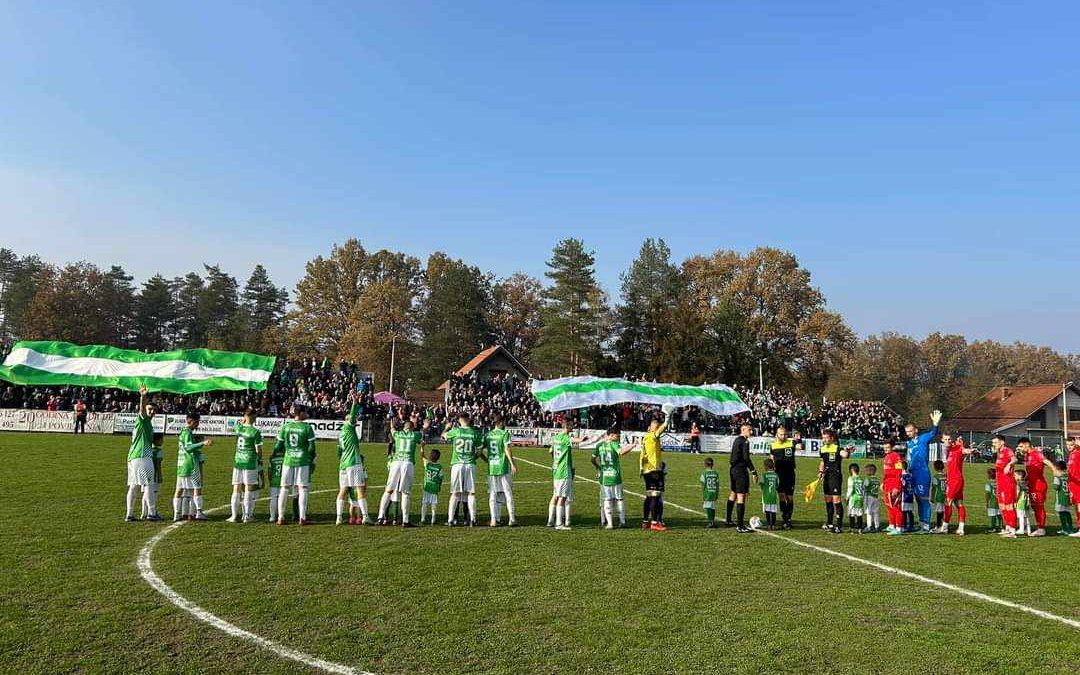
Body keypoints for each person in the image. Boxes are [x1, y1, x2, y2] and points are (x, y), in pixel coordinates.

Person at [275, 404, 316, 525]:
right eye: (306, 412)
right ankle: (302, 518)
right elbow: (312, 448)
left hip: (288, 461)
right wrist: (310, 458)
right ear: (301, 413)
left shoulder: (285, 427)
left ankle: (280, 517)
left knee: (284, 488)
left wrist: (285, 451)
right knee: (303, 488)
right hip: (302, 461)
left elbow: (278, 447)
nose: (307, 414)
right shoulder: (307, 428)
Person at [380, 417, 424, 527]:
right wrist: (425, 426)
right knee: (405, 492)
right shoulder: (415, 435)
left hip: (396, 462)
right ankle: (405, 520)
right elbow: (422, 437)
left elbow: (392, 430)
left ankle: (380, 517)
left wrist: (392, 425)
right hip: (407, 463)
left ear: (404, 427)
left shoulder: (398, 434)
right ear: (412, 428)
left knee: (388, 490)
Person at [904, 410, 943, 533]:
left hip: (922, 474)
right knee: (918, 499)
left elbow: (933, 432)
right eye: (907, 432)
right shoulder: (909, 443)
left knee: (923, 499)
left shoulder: (923, 438)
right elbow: (910, 457)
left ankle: (926, 525)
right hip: (913, 474)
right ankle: (921, 523)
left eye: (910, 431)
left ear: (915, 430)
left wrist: (935, 424)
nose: (908, 433)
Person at [442, 413, 482, 526]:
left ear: (459, 420)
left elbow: (443, 436)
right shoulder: (475, 433)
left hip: (457, 464)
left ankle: (450, 520)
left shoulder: (455, 431)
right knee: (471, 493)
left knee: (455, 493)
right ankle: (472, 520)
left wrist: (447, 427)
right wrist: (472, 458)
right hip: (470, 464)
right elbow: (479, 452)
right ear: (469, 419)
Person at [592, 426, 635, 529]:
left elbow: (592, 459)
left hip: (604, 477)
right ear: (611, 435)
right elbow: (621, 452)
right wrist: (632, 446)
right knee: (619, 499)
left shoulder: (599, 445)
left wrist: (598, 467)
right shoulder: (614, 444)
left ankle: (610, 523)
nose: (618, 437)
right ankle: (622, 521)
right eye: (617, 435)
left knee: (606, 499)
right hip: (615, 476)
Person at [125, 385, 156, 522]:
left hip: (133, 457)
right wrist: (143, 396)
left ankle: (129, 514)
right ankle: (152, 513)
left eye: (154, 410)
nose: (152, 412)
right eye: (150, 409)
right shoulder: (143, 420)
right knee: (149, 484)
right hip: (142, 456)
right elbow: (142, 410)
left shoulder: (148, 423)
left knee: (134, 485)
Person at [639, 405, 673, 531]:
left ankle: (645, 521)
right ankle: (654, 522)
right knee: (655, 495)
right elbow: (663, 428)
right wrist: (668, 416)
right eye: (654, 425)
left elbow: (642, 454)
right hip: (654, 470)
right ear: (650, 427)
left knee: (649, 496)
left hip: (648, 469)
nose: (657, 426)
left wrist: (641, 468)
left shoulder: (646, 438)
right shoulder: (652, 436)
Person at [336, 395, 369, 526]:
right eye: (352, 420)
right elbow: (352, 415)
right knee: (360, 490)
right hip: (354, 463)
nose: (354, 421)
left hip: (343, 464)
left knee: (343, 491)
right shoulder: (348, 428)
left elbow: (338, 452)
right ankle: (365, 517)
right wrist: (355, 403)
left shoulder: (341, 434)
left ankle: (339, 518)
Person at [174, 412, 212, 521]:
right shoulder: (187, 432)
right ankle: (199, 512)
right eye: (196, 422)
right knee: (197, 488)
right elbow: (189, 448)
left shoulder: (183, 432)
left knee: (179, 489)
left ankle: (177, 514)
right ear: (190, 421)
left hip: (181, 464)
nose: (198, 425)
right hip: (191, 464)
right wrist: (202, 443)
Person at [228, 409, 263, 523]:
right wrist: (260, 459)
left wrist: (244, 420)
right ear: (252, 416)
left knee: (236, 488)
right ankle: (247, 516)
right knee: (248, 488)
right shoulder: (255, 431)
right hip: (249, 462)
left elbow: (239, 426)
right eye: (255, 416)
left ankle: (233, 516)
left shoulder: (238, 428)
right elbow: (259, 450)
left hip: (238, 461)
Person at [1019, 438, 1059, 537]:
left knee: (1038, 506)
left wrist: (1054, 470)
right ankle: (1038, 526)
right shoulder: (1026, 456)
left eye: (1020, 446)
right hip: (1031, 484)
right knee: (1034, 506)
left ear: (1026, 445)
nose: (1019, 448)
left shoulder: (1036, 453)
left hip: (1039, 485)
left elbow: (1046, 461)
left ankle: (1041, 529)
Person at [482, 415, 517, 527]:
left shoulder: (488, 435)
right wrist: (512, 464)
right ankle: (511, 519)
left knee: (493, 494)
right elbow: (507, 449)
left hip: (492, 468)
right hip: (503, 467)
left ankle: (494, 520)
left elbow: (479, 451)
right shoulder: (504, 434)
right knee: (508, 493)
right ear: (501, 422)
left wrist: (486, 460)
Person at [726, 422, 758, 533]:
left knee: (733, 494)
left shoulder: (737, 440)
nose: (751, 431)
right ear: (743, 430)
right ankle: (740, 526)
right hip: (740, 471)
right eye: (749, 429)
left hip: (733, 470)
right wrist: (753, 471)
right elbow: (746, 458)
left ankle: (728, 520)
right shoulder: (744, 441)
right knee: (741, 497)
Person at [940, 435, 973, 535]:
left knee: (947, 502)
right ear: (942, 440)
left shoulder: (957, 448)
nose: (947, 441)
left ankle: (944, 527)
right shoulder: (948, 450)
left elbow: (964, 451)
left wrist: (969, 450)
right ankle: (961, 528)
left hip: (955, 480)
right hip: (955, 480)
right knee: (959, 504)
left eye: (949, 439)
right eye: (945, 439)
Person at [549, 418, 579, 531]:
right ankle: (559, 523)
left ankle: (550, 520)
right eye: (571, 425)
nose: (573, 427)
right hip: (563, 471)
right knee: (562, 497)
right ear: (567, 426)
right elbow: (577, 440)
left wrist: (556, 460)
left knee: (555, 496)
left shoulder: (556, 438)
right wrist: (588, 438)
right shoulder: (566, 438)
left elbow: (551, 451)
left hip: (556, 469)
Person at [818, 429, 848, 534]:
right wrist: (820, 472)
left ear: (831, 438)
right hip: (826, 477)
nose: (825, 439)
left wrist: (846, 452)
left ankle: (839, 526)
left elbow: (844, 454)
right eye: (823, 437)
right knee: (828, 500)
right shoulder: (822, 449)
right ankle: (830, 523)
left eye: (827, 437)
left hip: (835, 477)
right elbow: (822, 462)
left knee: (836, 500)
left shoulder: (837, 448)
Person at [770, 425, 797, 529]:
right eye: (781, 434)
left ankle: (789, 519)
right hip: (779, 474)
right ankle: (784, 518)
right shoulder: (773, 446)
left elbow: (800, 445)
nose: (783, 436)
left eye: (785, 434)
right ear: (777, 435)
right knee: (781, 496)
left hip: (790, 473)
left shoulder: (791, 443)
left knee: (790, 497)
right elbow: (772, 459)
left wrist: (798, 441)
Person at [991, 435, 1018, 537]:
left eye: (995, 442)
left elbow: (1015, 459)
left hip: (1008, 483)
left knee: (1009, 506)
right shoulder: (999, 453)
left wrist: (1009, 464)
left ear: (1002, 442)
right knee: (1002, 506)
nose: (993, 444)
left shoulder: (1007, 450)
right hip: (1000, 483)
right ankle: (1008, 527)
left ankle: (1013, 530)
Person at [141, 432, 165, 521]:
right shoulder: (159, 451)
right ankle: (152, 511)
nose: (163, 441)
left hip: (145, 473)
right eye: (161, 440)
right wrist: (160, 475)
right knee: (153, 494)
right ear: (157, 441)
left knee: (145, 493)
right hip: (154, 475)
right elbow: (158, 465)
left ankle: (144, 512)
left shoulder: (149, 450)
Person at [882, 440, 904, 534]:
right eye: (884, 448)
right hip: (887, 484)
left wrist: (897, 487)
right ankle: (891, 525)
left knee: (896, 507)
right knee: (889, 506)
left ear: (892, 447)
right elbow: (886, 473)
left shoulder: (896, 457)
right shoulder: (886, 457)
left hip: (894, 484)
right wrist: (883, 482)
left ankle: (899, 528)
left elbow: (899, 472)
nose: (886, 449)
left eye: (887, 447)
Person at [420, 448, 445, 525]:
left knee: (424, 503)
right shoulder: (440, 467)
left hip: (427, 486)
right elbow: (441, 478)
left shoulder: (427, 464)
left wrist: (422, 447)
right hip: (435, 487)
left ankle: (423, 519)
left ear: (431, 456)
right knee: (434, 504)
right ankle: (433, 520)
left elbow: (422, 455)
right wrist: (439, 486)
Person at [1052, 461, 1074, 535]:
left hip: (1060, 497)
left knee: (1061, 513)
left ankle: (1064, 529)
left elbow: (1056, 487)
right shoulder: (1068, 475)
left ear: (1057, 468)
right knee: (1068, 512)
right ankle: (1070, 528)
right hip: (1068, 496)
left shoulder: (1057, 476)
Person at [698, 456, 721, 528]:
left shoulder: (704, 474)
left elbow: (703, 484)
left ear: (705, 464)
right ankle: (713, 521)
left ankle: (710, 522)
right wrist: (717, 493)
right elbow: (717, 484)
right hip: (714, 492)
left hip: (707, 492)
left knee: (708, 507)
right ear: (712, 464)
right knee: (713, 507)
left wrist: (703, 493)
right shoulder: (715, 473)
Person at [266, 439, 285, 524]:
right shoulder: (286, 458)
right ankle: (281, 516)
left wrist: (270, 479)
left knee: (273, 499)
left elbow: (270, 471)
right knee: (282, 498)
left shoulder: (272, 458)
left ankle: (272, 516)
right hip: (284, 481)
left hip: (274, 480)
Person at [759, 458, 780, 529]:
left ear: (765, 466)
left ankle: (768, 525)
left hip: (766, 496)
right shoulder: (776, 475)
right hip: (773, 496)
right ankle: (773, 525)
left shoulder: (764, 475)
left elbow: (761, 484)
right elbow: (777, 485)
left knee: (767, 510)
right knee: (773, 511)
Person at [1011, 467, 1031, 538]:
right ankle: (1028, 530)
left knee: (1021, 515)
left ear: (1020, 475)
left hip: (1021, 501)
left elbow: (1018, 492)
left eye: (1015, 475)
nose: (1014, 476)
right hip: (1027, 501)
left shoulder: (1018, 484)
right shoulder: (1026, 483)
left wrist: (1015, 501)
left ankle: (1021, 529)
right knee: (1027, 516)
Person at [846, 463, 865, 533]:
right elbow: (863, 489)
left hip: (853, 498)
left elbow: (850, 489)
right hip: (860, 498)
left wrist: (847, 497)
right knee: (859, 513)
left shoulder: (850, 478)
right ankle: (860, 529)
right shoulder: (861, 479)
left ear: (851, 470)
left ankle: (852, 529)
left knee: (852, 513)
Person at [863, 463, 881, 532]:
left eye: (866, 470)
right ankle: (877, 526)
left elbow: (864, 487)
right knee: (876, 512)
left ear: (869, 471)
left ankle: (869, 526)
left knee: (869, 512)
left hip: (869, 497)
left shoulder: (868, 479)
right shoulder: (876, 479)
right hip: (876, 497)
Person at [899, 462, 915, 533]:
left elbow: (903, 485)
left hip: (904, 496)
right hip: (910, 495)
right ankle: (911, 525)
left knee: (904, 512)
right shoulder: (910, 475)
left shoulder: (902, 476)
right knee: (910, 511)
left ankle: (904, 526)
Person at [930, 460, 947, 531]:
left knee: (939, 512)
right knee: (944, 511)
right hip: (946, 496)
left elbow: (934, 488)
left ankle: (938, 526)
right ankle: (944, 525)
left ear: (935, 468)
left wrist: (932, 497)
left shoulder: (936, 477)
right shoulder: (946, 475)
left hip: (939, 496)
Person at [1069, 437, 1080, 538]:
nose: (1069, 447)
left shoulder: (1078, 453)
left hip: (1078, 484)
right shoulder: (1072, 454)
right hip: (1073, 484)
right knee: (1077, 506)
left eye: (1071, 445)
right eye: (1067, 445)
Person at [984, 467, 1001, 533]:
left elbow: (987, 494)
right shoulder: (999, 482)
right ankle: (1001, 527)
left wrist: (986, 502)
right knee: (999, 514)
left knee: (992, 515)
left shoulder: (988, 484)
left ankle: (992, 527)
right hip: (1000, 501)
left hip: (992, 502)